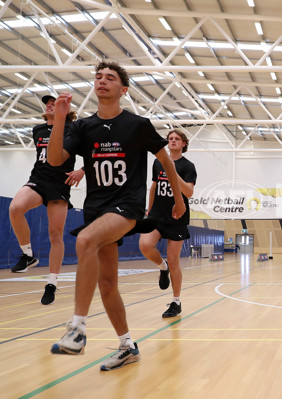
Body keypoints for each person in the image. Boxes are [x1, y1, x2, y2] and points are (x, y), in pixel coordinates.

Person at [47, 61, 185, 371]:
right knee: (108, 283)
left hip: (127, 206)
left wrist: (178, 200)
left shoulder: (138, 125)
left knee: (84, 239)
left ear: (123, 90)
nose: (102, 81)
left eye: (110, 78)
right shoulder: (83, 127)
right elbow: (56, 159)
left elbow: (167, 164)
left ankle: (78, 329)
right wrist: (59, 118)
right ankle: (127, 346)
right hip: (97, 208)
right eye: (98, 77)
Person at [8, 94, 84, 305]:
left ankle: (51, 282)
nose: (50, 106)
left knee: (55, 233)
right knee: (15, 207)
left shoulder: (73, 129)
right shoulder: (38, 130)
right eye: (48, 104)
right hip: (39, 179)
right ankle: (27, 254)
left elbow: (93, 153)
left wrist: (83, 170)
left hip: (61, 183)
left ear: (66, 110)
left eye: (55, 104)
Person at [139, 129, 196, 318]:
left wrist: (172, 172)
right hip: (157, 214)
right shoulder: (157, 162)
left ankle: (176, 301)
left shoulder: (188, 166)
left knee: (174, 261)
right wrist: (148, 210)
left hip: (177, 218)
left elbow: (188, 192)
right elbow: (154, 186)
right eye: (170, 139)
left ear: (183, 144)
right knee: (145, 245)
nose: (172, 141)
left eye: (176, 139)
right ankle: (161, 267)